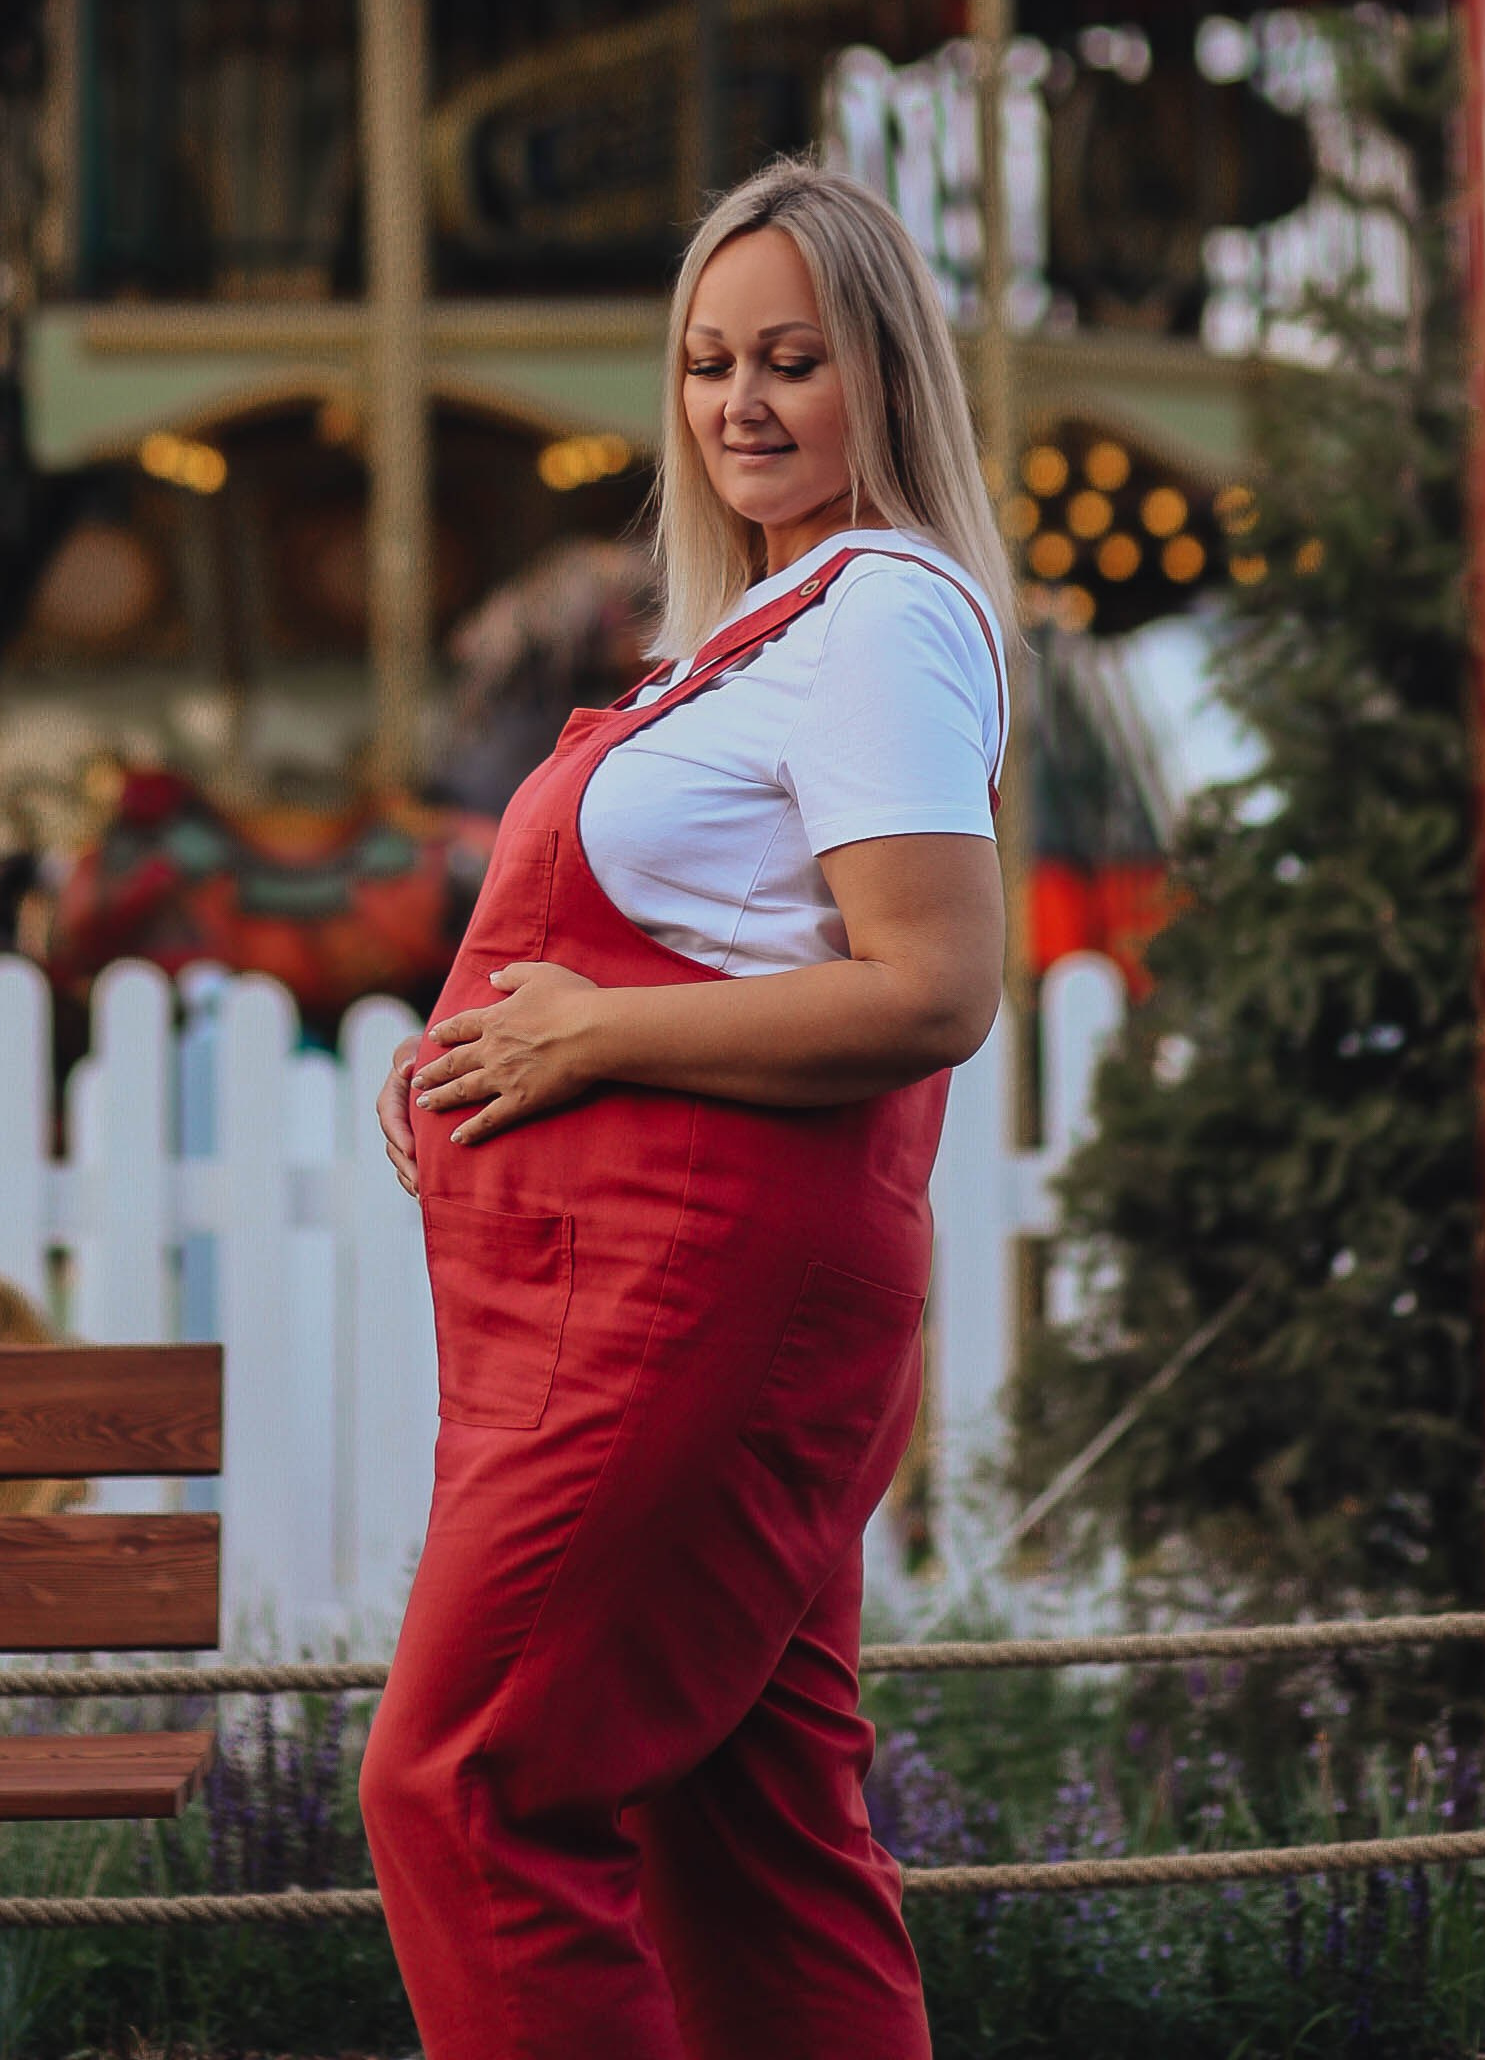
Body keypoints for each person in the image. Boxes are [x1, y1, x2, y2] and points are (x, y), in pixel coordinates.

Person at [361, 154, 1012, 2060]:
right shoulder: (769, 627)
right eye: (713, 361)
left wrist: (585, 1042)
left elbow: (934, 986)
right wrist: (479, 1050)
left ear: (882, 375)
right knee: (748, 1832)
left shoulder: (879, 615)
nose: (742, 403)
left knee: (461, 1785)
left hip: (689, 1309)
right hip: (642, 1302)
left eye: (793, 362)